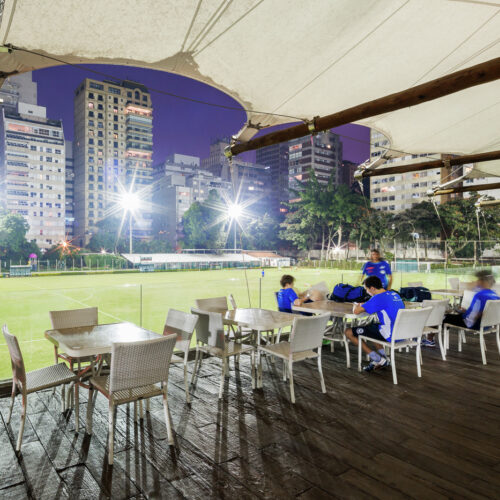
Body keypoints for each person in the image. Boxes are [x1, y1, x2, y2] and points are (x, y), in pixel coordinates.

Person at [345, 276, 405, 372]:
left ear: (372, 288)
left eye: (367, 289)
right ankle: (384, 358)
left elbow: (356, 311)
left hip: (390, 334)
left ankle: (378, 359)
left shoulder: (377, 298)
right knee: (372, 327)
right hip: (402, 332)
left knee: (348, 332)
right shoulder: (394, 294)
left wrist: (355, 303)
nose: (367, 292)